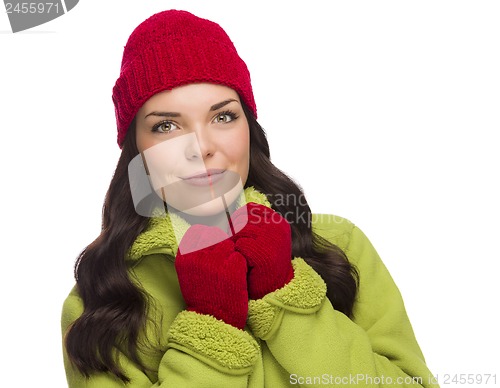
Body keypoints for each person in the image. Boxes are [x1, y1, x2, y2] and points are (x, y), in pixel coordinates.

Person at [61, 9, 438, 387]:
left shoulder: (337, 245)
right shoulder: (101, 298)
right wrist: (210, 327)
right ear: (136, 151)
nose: (201, 147)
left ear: (249, 129)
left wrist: (288, 299)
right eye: (166, 125)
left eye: (222, 117)